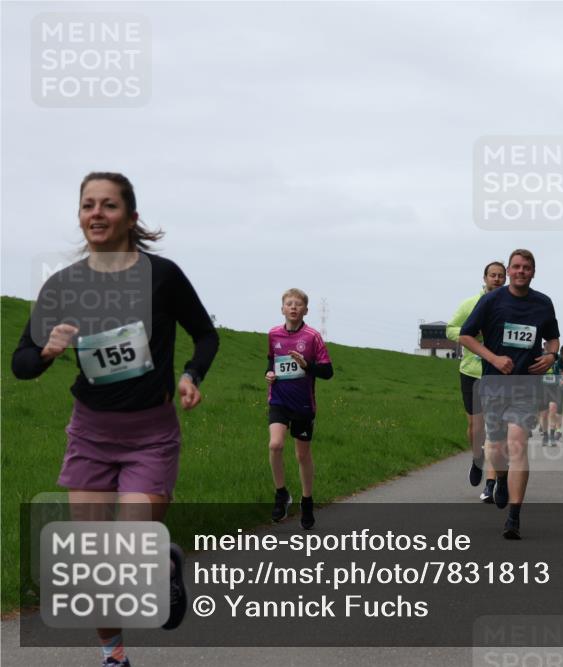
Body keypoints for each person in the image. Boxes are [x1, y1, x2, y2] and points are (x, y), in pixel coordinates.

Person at [11, 172, 219, 667]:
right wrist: (45, 351)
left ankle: (160, 559)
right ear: (80, 216)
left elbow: (206, 335)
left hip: (150, 435)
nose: (96, 214)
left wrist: (191, 375)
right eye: (88, 205)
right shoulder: (65, 285)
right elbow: (20, 363)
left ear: (131, 216)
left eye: (108, 205)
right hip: (90, 434)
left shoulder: (162, 276)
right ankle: (114, 656)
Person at [459, 249, 559, 539]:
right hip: (494, 384)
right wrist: (492, 358)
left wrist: (551, 355)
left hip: (527, 385)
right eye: (516, 267)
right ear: (510, 270)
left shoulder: (543, 303)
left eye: (526, 267)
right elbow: (466, 335)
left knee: (518, 443)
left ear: (533, 272)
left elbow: (552, 337)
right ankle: (499, 479)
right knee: (498, 448)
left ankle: (514, 516)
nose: (520, 271)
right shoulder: (491, 300)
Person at [265, 288, 333, 529]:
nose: (293, 307)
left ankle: (306, 500)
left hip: (303, 403)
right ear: (282, 308)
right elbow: (270, 362)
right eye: (289, 303)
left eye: (298, 304)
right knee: (275, 444)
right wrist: (269, 374)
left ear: (305, 310)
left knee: (302, 455)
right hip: (279, 400)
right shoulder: (273, 334)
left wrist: (307, 365)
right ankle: (281, 493)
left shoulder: (313, 337)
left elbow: (328, 372)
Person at [446, 261, 506, 502]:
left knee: (494, 430)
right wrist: (471, 335)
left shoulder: (508, 305)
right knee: (476, 427)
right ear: (485, 278)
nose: (497, 279)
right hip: (471, 371)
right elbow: (451, 330)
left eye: (501, 276)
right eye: (493, 275)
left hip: (497, 373)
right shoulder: (470, 304)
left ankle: (491, 485)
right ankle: (476, 458)